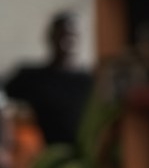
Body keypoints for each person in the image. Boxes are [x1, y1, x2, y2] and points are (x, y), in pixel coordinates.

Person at [3, 12, 92, 147]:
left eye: (72, 35)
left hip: (85, 155)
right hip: (45, 155)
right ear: (51, 37)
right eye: (61, 34)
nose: (67, 40)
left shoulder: (90, 81)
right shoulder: (31, 78)